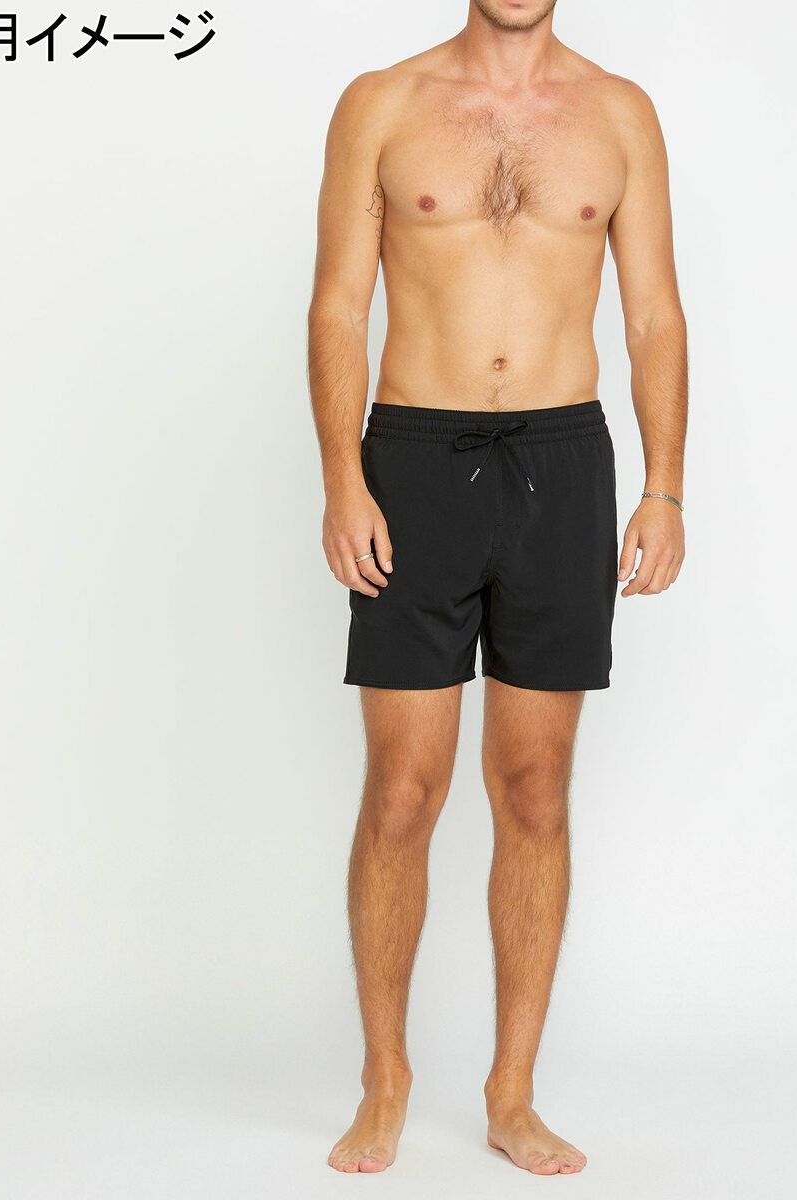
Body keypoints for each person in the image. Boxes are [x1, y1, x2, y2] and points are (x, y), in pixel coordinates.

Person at [308, 0, 686, 1176]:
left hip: (563, 466)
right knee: (402, 791)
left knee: (534, 791)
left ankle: (511, 1094)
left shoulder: (620, 113)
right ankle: (385, 1077)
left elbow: (654, 313)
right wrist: (343, 480)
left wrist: (664, 488)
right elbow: (338, 304)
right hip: (414, 461)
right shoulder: (382, 103)